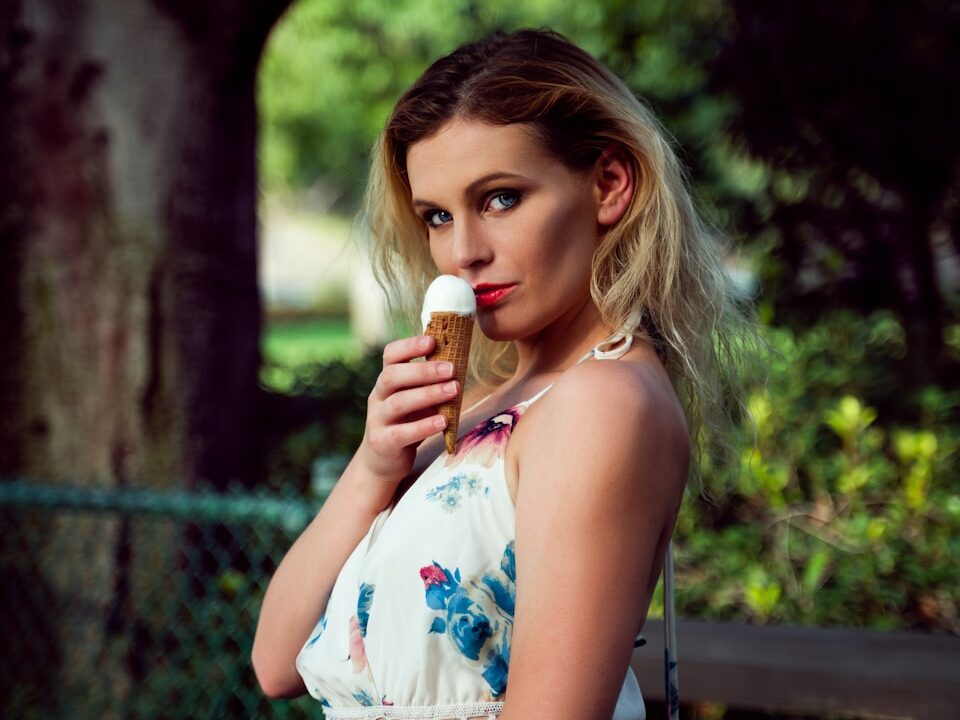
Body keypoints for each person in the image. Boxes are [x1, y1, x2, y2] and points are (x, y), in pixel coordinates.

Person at [252, 28, 749, 720]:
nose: (462, 253)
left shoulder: (599, 405)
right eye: (436, 216)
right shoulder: (484, 408)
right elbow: (276, 662)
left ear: (609, 185)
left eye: (500, 199)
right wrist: (373, 467)